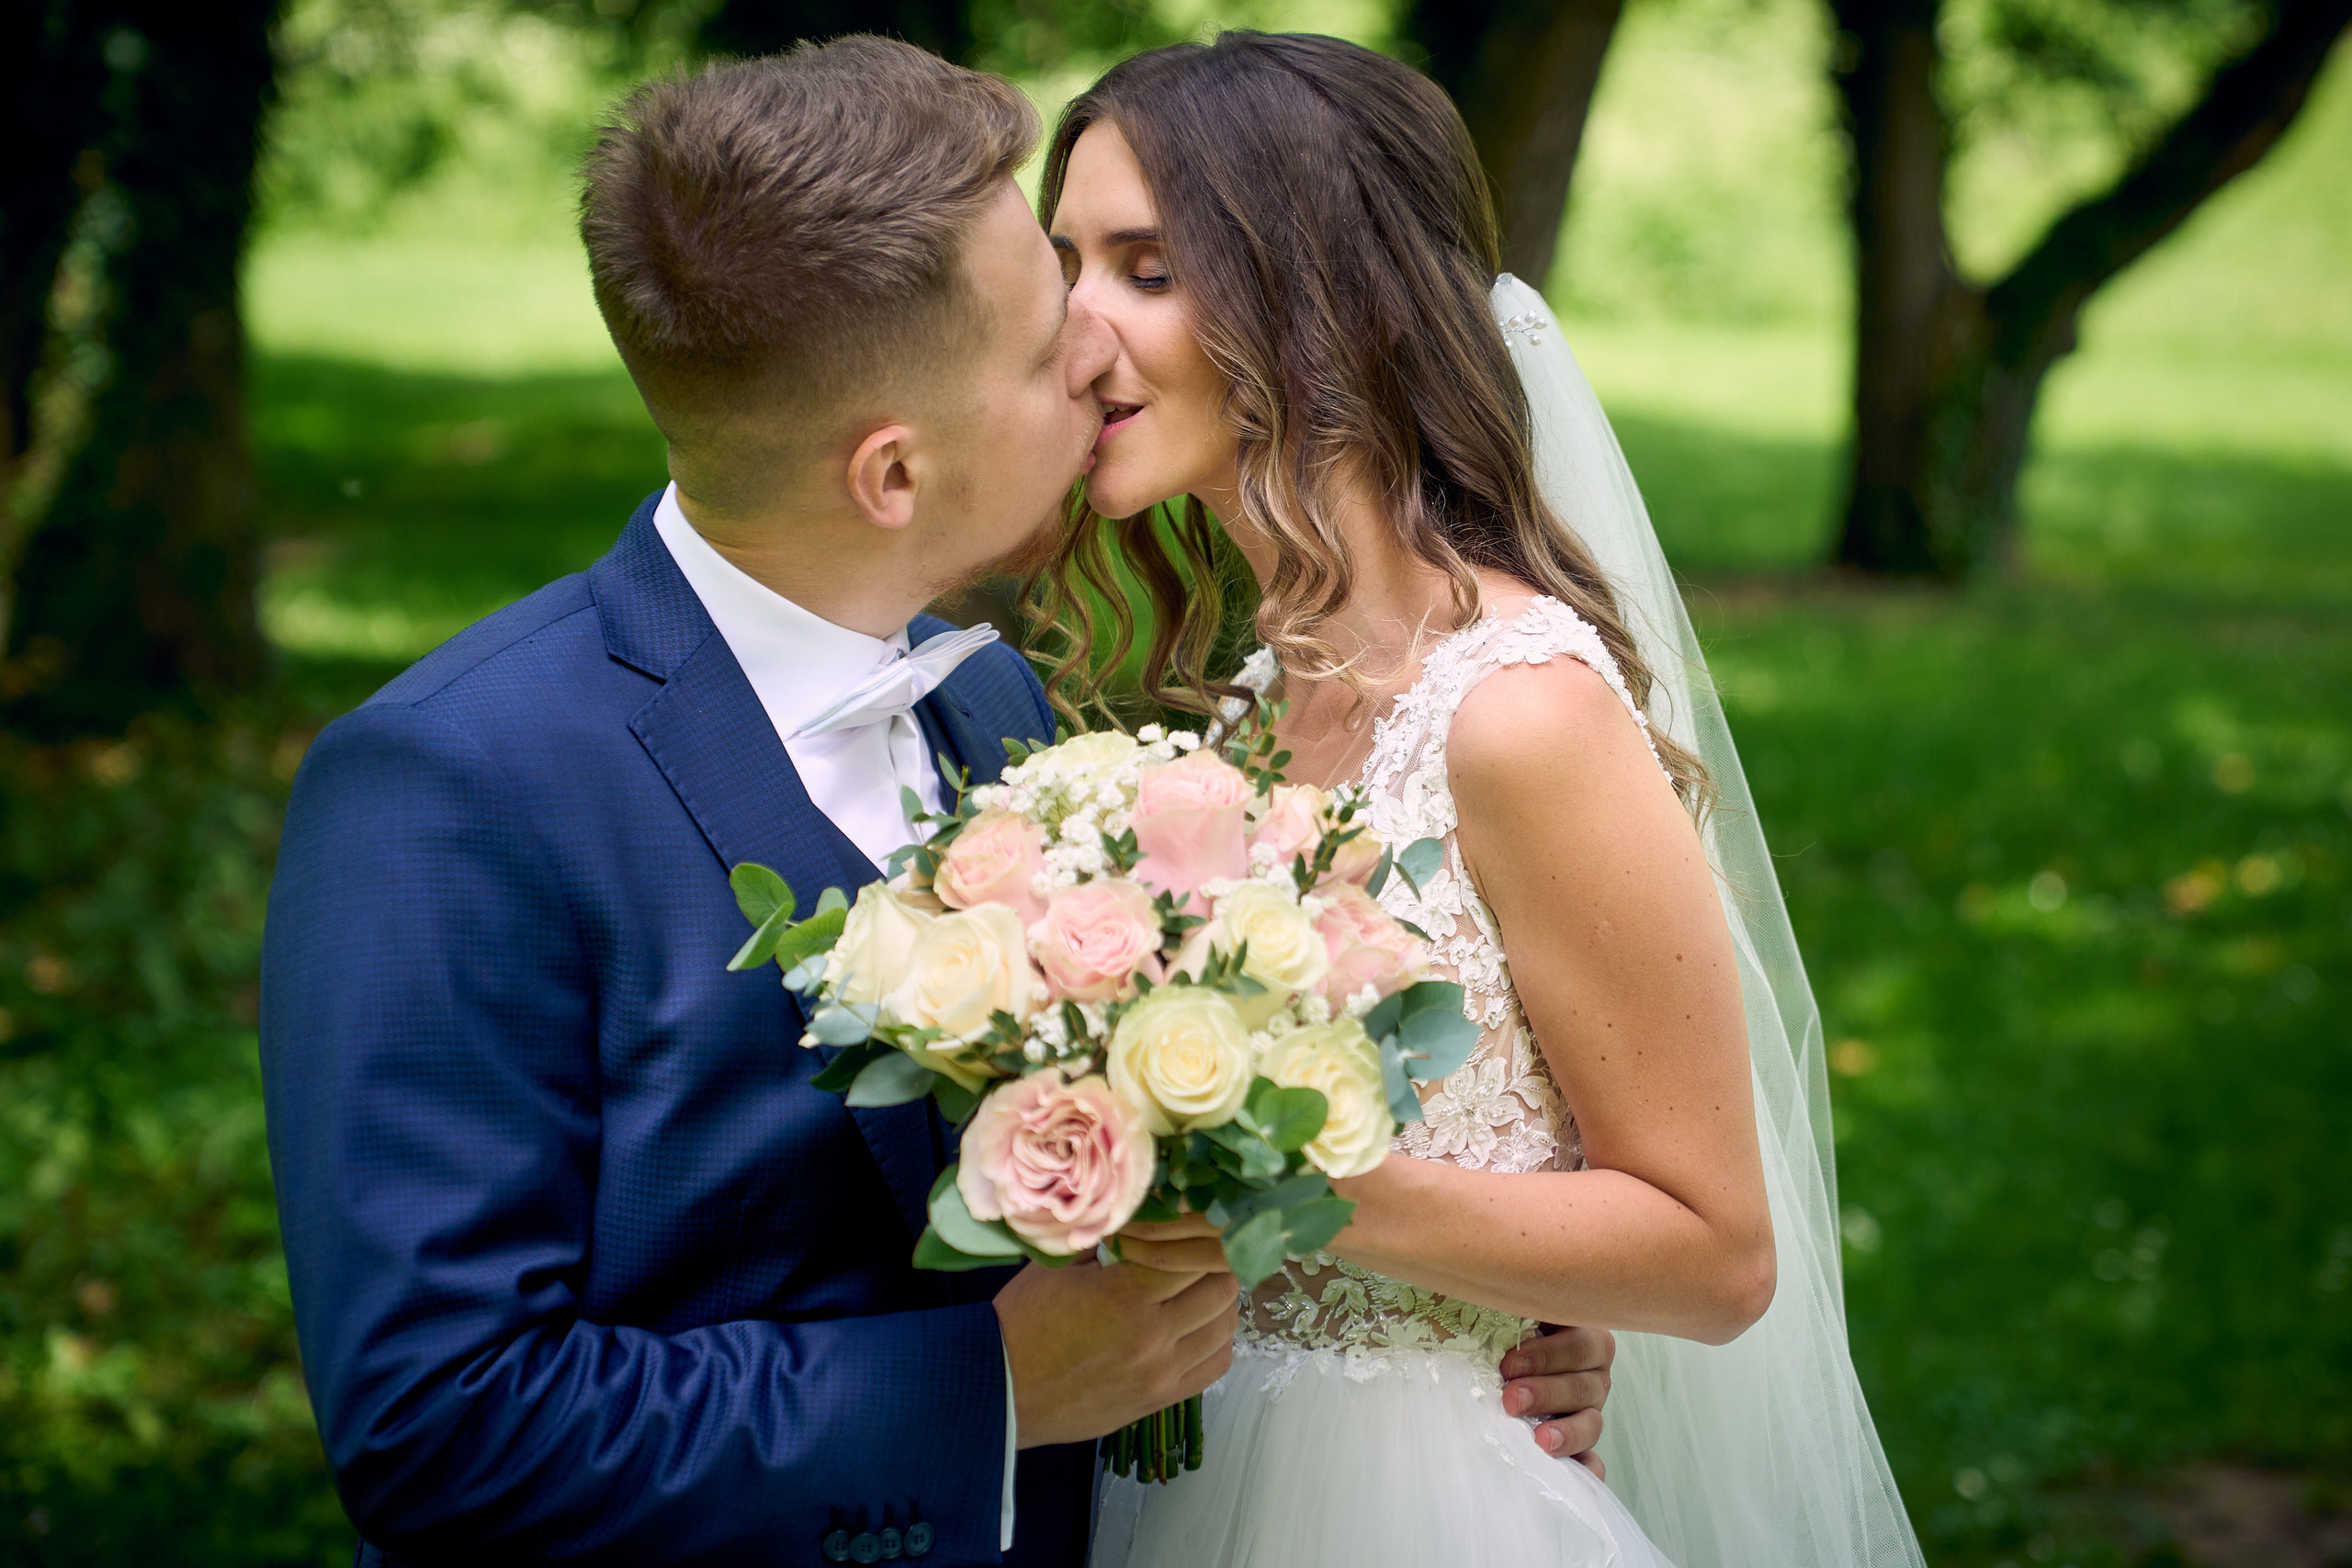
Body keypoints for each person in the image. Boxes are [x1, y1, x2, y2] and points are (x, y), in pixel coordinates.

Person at [259, 36, 1613, 1567]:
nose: (1105, 358)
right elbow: (444, 1431)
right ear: (892, 475)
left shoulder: (995, 704)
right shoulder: (452, 791)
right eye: (1048, 344)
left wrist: (1436, 1337)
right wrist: (991, 1388)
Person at [1039, 32, 1929, 1568]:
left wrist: (1267, 1180)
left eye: (1147, 270)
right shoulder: (1253, 712)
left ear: (1320, 299)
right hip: (1184, 1468)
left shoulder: (1517, 714)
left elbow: (1714, 1250)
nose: (1074, 330)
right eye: (1066, 268)